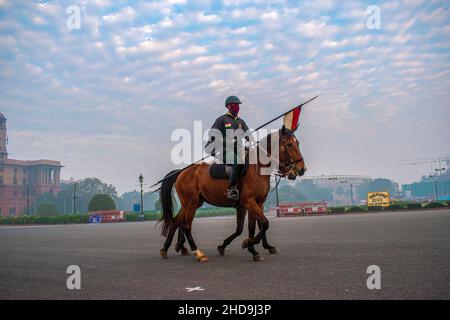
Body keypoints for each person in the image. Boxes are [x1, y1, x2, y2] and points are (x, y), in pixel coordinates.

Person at [205, 96, 249, 200]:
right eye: (235, 105)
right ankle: (232, 189)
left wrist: (249, 137)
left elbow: (246, 132)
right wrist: (226, 141)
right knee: (237, 163)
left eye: (238, 105)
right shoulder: (222, 120)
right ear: (229, 106)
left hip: (238, 150)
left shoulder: (241, 121)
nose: (237, 107)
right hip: (224, 150)